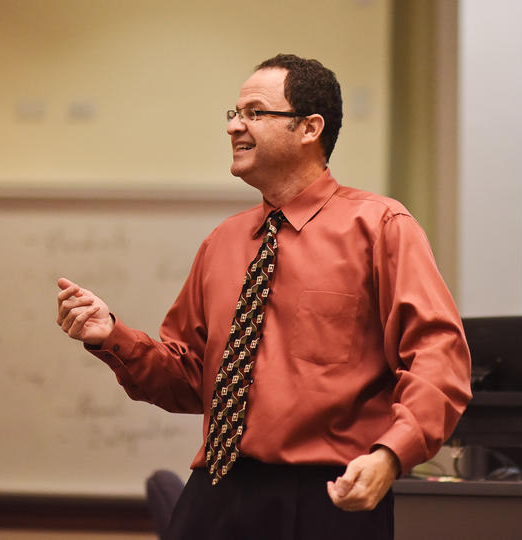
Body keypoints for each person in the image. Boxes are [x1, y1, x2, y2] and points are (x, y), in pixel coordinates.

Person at [56, 53, 471, 540]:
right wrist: (112, 335)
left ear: (309, 128)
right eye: (234, 113)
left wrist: (391, 454)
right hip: (216, 489)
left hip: (327, 494)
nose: (234, 126)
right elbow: (190, 380)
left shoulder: (380, 227)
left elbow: (438, 358)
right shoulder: (222, 242)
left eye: (255, 113)